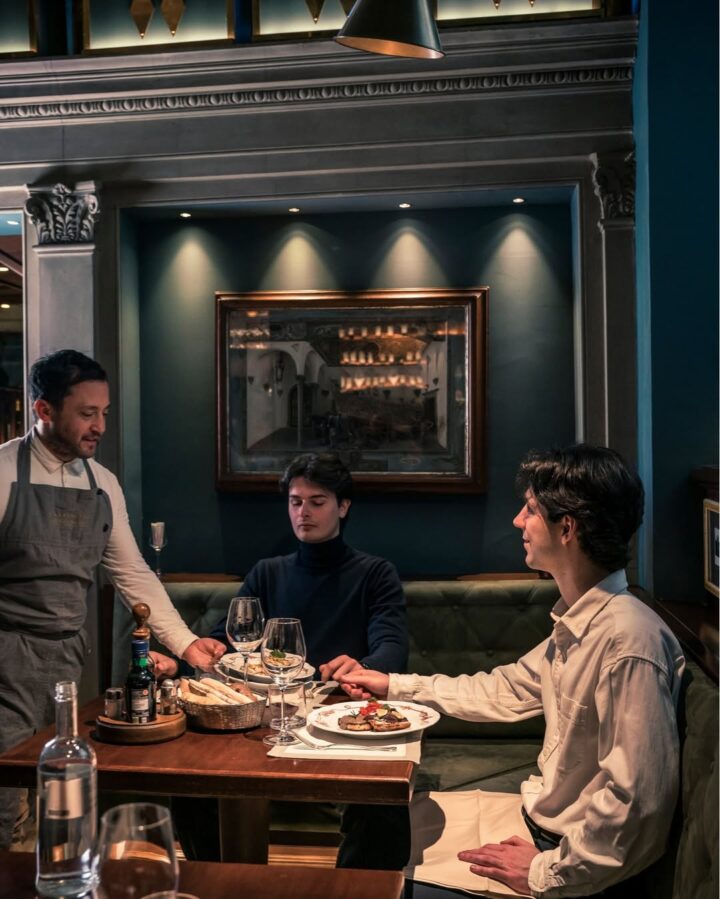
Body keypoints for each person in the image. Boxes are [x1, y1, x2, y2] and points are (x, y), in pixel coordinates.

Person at [340, 444, 685, 898]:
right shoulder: (585, 621)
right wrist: (394, 685)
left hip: (571, 860)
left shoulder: (628, 640)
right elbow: (504, 688)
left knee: (387, 867)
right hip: (539, 823)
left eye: (530, 510)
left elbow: (637, 804)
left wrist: (545, 872)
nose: (517, 522)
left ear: (568, 528)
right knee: (374, 824)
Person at [0, 350, 225, 849]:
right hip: (4, 660)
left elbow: (133, 575)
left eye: (104, 412)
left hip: (66, 659)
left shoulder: (102, 484)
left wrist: (188, 646)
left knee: (62, 798)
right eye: (87, 413)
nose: (100, 425)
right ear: (44, 410)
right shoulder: (1, 473)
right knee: (3, 805)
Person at [158, 451, 409, 865]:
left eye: (317, 501)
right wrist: (184, 658)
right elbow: (227, 639)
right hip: (267, 714)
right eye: (295, 501)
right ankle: (221, 883)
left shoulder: (375, 574)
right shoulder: (268, 572)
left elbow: (392, 648)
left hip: (341, 714)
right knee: (191, 781)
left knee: (381, 804)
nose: (303, 512)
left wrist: (365, 667)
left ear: (343, 506)